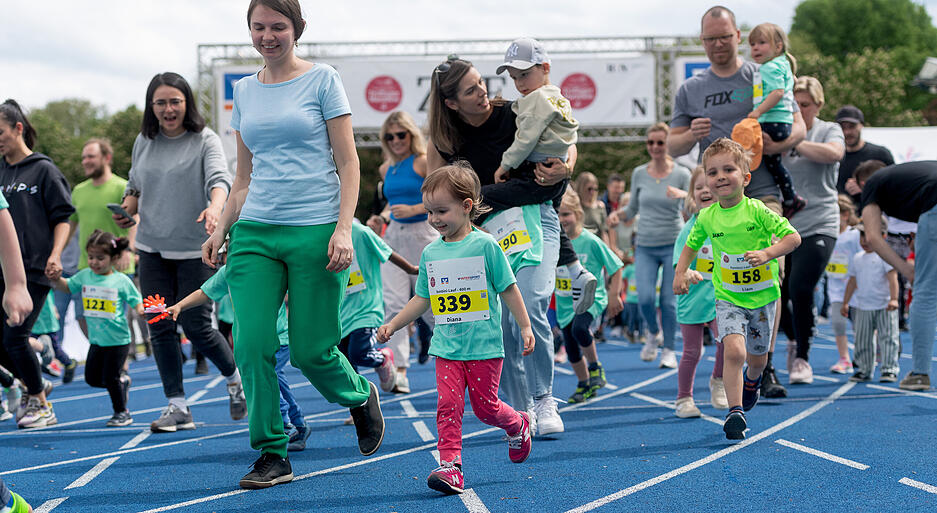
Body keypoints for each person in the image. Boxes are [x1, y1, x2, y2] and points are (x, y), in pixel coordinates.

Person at [201, 0, 385, 489]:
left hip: (316, 228)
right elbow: (243, 175)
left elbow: (349, 163)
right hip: (256, 231)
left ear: (296, 29)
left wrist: (343, 228)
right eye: (258, 27)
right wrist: (222, 228)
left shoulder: (323, 79)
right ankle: (271, 453)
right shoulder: (243, 90)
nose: (267, 36)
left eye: (277, 26)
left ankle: (360, 395)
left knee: (310, 351)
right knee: (253, 343)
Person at [426, 55, 593, 436]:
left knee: (532, 303)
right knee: (502, 323)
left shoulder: (513, 112)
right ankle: (521, 410)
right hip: (486, 234)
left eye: (480, 83)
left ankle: (544, 398)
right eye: (471, 90)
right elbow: (438, 193)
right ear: (452, 103)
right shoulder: (446, 141)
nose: (482, 92)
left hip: (536, 216)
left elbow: (566, 136)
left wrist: (566, 165)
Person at [669, 6, 808, 400]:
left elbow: (797, 123)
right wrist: (687, 135)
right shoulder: (691, 88)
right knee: (722, 275)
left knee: (772, 269)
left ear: (737, 36)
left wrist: (780, 143)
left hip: (761, 188)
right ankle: (734, 358)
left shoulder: (759, 72)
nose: (717, 45)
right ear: (702, 41)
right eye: (710, 38)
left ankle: (765, 365)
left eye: (724, 37)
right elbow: (673, 141)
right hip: (713, 199)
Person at [376, 164, 534, 495]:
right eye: (430, 211)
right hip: (446, 348)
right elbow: (423, 299)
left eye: (441, 211)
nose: (434, 219)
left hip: (484, 347)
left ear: (466, 206)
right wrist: (393, 324)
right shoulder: (431, 251)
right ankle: (452, 466)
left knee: (486, 408)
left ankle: (517, 424)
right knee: (448, 406)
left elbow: (508, 287)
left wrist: (524, 325)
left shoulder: (486, 246)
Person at [115, 72, 245, 433]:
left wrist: (216, 209)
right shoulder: (145, 140)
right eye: (161, 102)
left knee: (197, 326)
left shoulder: (205, 140)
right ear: (151, 107)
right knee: (159, 325)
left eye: (175, 101)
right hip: (153, 249)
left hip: (194, 249)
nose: (168, 109)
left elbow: (220, 181)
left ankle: (235, 381)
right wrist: (127, 209)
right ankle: (177, 406)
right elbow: (134, 184)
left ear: (187, 103)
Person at [674, 138, 801, 440]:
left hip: (763, 298)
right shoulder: (707, 216)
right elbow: (691, 247)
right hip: (728, 297)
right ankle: (735, 412)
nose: (720, 177)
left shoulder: (757, 211)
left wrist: (769, 253)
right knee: (733, 350)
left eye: (728, 169)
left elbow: (793, 238)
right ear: (705, 178)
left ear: (745, 177)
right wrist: (680, 274)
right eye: (713, 171)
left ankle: (754, 380)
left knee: (757, 359)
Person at [166, 263, 312, 451]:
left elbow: (299, 284)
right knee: (276, 378)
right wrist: (179, 306)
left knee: (268, 375)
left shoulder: (269, 263)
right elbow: (205, 292)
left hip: (278, 336)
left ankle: (285, 424)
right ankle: (299, 424)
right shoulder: (229, 270)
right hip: (253, 341)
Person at [0, 99, 73, 429]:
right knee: (10, 339)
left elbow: (63, 218)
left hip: (33, 269)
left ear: (18, 129)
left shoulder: (43, 169)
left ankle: (41, 403)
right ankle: (36, 368)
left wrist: (55, 255)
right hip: (3, 270)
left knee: (14, 336)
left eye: (0, 131)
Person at [778, 76, 846, 384]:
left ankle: (803, 357)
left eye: (804, 105)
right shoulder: (779, 131)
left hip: (820, 222)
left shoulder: (827, 129)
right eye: (794, 104)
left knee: (801, 288)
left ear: (817, 105)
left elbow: (834, 154)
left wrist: (795, 142)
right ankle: (792, 338)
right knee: (778, 292)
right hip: (782, 226)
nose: (799, 110)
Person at [367, 111, 436, 392]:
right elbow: (392, 203)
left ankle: (460, 363)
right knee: (393, 304)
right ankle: (400, 371)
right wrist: (381, 217)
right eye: (389, 136)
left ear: (411, 134)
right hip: (394, 236)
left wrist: (415, 209)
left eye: (401, 134)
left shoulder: (422, 162)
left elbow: (441, 197)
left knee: (436, 305)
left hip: (425, 234)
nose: (395, 140)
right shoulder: (386, 169)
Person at [854, 160, 937, 391]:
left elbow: (872, 237)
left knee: (925, 293)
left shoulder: (872, 184)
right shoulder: (906, 177)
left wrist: (906, 269)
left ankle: (920, 373)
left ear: (863, 182)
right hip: (931, 208)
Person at [49, 230, 143, 427]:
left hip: (118, 340)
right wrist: (57, 279)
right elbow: (67, 287)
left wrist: (143, 311)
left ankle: (122, 412)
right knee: (92, 378)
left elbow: (136, 301)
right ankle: (121, 383)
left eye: (100, 258)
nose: (94, 262)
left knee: (110, 376)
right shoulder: (85, 276)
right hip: (96, 340)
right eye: (90, 257)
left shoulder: (121, 281)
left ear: (114, 258)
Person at [618, 123, 691, 369]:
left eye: (660, 142)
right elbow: (633, 208)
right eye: (651, 142)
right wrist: (618, 215)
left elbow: (694, 207)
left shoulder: (682, 173)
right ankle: (653, 332)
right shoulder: (639, 173)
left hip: (673, 242)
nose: (655, 147)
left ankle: (669, 349)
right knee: (646, 298)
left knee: (669, 301)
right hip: (646, 244)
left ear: (668, 144)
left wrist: (683, 196)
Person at [69, 138, 142, 366]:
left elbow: (136, 218)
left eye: (90, 156)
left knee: (115, 318)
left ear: (106, 158)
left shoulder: (122, 187)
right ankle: (107, 356)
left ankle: (118, 361)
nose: (85, 161)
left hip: (116, 266)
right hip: (86, 266)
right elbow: (70, 224)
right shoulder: (78, 191)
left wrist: (129, 249)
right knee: (82, 316)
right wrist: (54, 254)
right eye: (82, 157)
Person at [555, 190, 622, 403]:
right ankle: (584, 384)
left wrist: (613, 295)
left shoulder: (590, 241)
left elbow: (616, 267)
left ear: (578, 214)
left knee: (579, 329)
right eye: (557, 214)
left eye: (566, 214)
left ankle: (595, 367)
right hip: (565, 303)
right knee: (571, 348)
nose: (561, 219)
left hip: (592, 299)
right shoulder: (552, 242)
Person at [339, 218, 419, 392]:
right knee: (346, 365)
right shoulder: (320, 235)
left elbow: (387, 252)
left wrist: (411, 269)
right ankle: (360, 410)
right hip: (339, 312)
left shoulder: (360, 232)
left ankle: (382, 358)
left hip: (365, 308)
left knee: (359, 353)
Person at [673, 166, 727, 418]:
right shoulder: (689, 230)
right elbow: (678, 266)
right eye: (698, 187)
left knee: (727, 341)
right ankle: (684, 398)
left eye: (710, 185)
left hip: (722, 297)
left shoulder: (727, 225)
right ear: (692, 195)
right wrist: (687, 273)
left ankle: (718, 381)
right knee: (692, 352)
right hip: (692, 298)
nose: (705, 190)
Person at [492, 37, 578, 186]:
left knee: (486, 199)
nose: (519, 83)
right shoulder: (558, 97)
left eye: (524, 74)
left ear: (545, 68)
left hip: (538, 169)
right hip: (559, 166)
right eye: (514, 77)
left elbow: (525, 140)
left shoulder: (536, 98)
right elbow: (571, 136)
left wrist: (505, 165)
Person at [747, 23, 805, 218]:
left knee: (770, 162)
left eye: (762, 43)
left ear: (778, 46)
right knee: (775, 163)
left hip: (772, 121)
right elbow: (789, 84)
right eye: (752, 44)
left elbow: (778, 92)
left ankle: (791, 197)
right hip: (782, 121)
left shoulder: (769, 67)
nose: (755, 48)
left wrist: (757, 112)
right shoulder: (782, 64)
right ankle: (790, 196)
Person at [841, 217, 901, 382]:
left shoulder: (885, 256)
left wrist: (894, 299)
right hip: (863, 305)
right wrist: (846, 302)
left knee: (888, 337)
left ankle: (889, 368)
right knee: (862, 338)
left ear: (882, 236)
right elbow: (852, 281)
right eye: (862, 236)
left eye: (868, 236)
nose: (865, 241)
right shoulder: (858, 258)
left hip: (884, 305)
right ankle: (863, 368)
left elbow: (892, 278)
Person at [826, 195, 861, 374]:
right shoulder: (827, 235)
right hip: (835, 288)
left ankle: (867, 353)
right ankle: (844, 358)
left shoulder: (854, 235)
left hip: (856, 288)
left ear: (845, 215)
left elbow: (863, 255)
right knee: (838, 323)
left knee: (861, 325)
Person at [835, 105, 894, 205]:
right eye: (843, 127)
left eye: (852, 126)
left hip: (876, 214)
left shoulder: (880, 154)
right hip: (842, 217)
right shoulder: (832, 157)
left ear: (861, 125)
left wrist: (865, 188)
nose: (847, 132)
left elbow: (894, 186)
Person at [573, 172, 608, 241]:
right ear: (581, 188)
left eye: (595, 189)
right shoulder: (574, 206)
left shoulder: (600, 206)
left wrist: (607, 250)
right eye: (589, 189)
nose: (592, 192)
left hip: (596, 245)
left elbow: (604, 233)